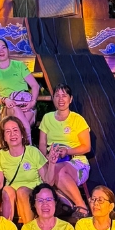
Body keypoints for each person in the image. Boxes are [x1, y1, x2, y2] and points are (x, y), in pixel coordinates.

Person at [38, 84, 91, 215]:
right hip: (52, 160)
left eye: (64, 95)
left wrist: (67, 151)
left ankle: (81, 206)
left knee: (58, 171)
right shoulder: (47, 118)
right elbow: (42, 144)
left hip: (76, 161)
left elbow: (87, 147)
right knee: (43, 173)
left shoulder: (77, 119)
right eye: (57, 96)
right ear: (53, 98)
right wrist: (46, 158)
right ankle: (67, 204)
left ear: (70, 99)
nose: (61, 99)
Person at [0, 116, 50, 223]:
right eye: (8, 132)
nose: (12, 134)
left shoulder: (33, 152)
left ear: (22, 134)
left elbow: (47, 180)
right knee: (6, 189)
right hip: (12, 200)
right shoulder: (1, 155)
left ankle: (29, 229)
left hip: (33, 196)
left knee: (22, 191)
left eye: (15, 130)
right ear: (4, 137)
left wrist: (53, 164)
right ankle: (7, 228)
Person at [0, 37, 39, 144]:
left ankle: (21, 148)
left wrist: (32, 102)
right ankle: (29, 144)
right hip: (8, 108)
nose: (1, 51)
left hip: (26, 106)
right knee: (16, 112)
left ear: (8, 50)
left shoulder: (19, 66)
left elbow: (35, 85)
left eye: (3, 47)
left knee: (21, 122)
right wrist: (5, 100)